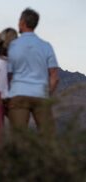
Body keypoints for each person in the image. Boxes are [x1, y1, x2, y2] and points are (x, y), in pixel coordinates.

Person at [7, 8, 59, 138]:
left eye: (19, 20)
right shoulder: (46, 46)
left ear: (23, 22)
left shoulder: (13, 45)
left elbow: (8, 74)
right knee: (48, 137)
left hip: (18, 94)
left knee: (18, 138)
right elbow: (54, 76)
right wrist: (47, 93)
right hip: (40, 94)